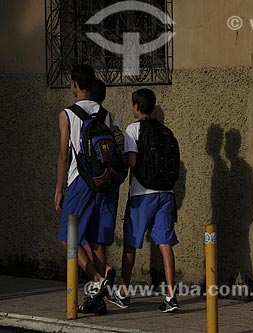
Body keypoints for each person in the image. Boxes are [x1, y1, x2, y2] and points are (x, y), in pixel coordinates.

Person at [54, 65, 118, 315]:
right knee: (96, 239)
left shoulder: (67, 114)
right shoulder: (107, 114)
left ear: (74, 84)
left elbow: (64, 154)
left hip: (80, 180)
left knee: (66, 236)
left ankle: (98, 278)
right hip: (105, 181)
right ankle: (97, 301)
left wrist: (59, 187)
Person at [108, 88, 179, 313]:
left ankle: (122, 293)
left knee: (131, 243)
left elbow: (131, 161)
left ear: (136, 106)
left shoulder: (132, 129)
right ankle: (171, 296)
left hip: (142, 195)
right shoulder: (166, 131)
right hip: (166, 193)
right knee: (165, 243)